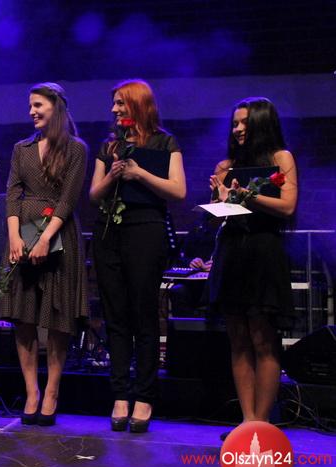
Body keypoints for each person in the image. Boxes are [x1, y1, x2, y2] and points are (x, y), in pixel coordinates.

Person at [89, 79, 186, 433]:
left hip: (146, 229)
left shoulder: (165, 142)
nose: (114, 109)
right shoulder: (109, 146)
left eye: (120, 103)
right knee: (115, 315)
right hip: (109, 232)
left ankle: (144, 395)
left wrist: (139, 173)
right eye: (114, 104)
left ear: (138, 105)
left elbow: (178, 190)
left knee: (144, 314)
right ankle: (120, 394)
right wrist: (114, 174)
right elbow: (94, 194)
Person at [0, 83, 89, 426]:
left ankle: (51, 391)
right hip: (22, 233)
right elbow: (12, 194)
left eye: (38, 105)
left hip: (58, 234)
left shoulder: (75, 148)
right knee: (23, 317)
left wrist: (45, 238)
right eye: (30, 106)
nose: (32, 111)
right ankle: (31, 392)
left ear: (56, 106)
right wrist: (14, 237)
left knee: (57, 317)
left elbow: (68, 199)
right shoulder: (21, 148)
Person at [207, 97, 297, 432]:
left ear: (262, 123)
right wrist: (218, 200)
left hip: (263, 251)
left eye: (245, 122)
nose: (238, 129)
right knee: (239, 340)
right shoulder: (226, 165)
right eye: (235, 123)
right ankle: (247, 421)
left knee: (263, 340)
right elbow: (218, 220)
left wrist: (246, 195)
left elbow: (288, 206)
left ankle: (262, 422)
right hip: (233, 251)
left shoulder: (281, 158)